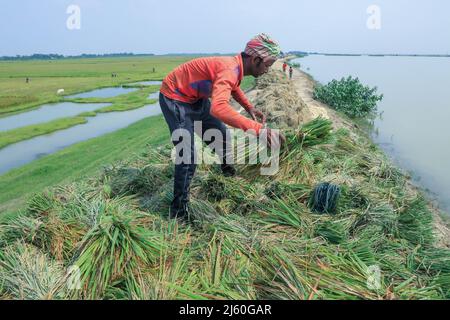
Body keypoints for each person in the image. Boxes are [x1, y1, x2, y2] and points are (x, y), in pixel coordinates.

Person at [159, 33, 285, 220]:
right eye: (267, 65)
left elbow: (233, 87)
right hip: (175, 98)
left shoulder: (235, 68)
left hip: (196, 98)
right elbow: (219, 108)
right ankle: (178, 212)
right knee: (187, 156)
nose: (267, 70)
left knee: (222, 137)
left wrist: (249, 107)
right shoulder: (229, 68)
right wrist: (258, 129)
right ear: (257, 59)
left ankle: (228, 175)